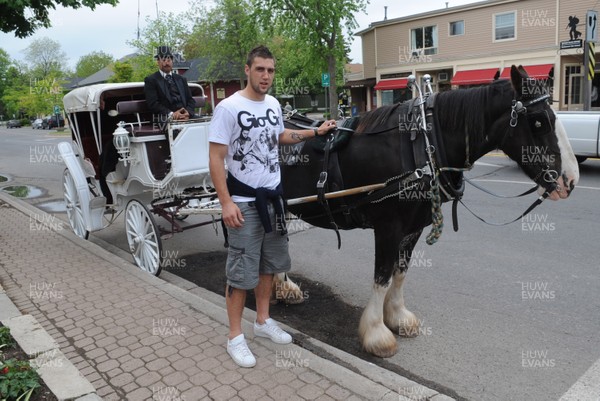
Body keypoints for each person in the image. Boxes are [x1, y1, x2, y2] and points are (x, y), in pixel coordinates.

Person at [209, 45, 336, 368]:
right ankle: (235, 336)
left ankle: (262, 321)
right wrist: (225, 202)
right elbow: (216, 157)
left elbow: (279, 136)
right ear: (248, 70)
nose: (266, 76)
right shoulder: (228, 108)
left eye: (271, 70)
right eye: (260, 69)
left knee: (270, 265)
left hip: (274, 199)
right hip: (244, 203)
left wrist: (314, 132)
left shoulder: (274, 104)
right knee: (240, 273)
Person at [144, 45, 196, 124]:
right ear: (158, 62)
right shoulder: (151, 80)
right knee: (175, 130)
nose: (166, 62)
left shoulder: (181, 79)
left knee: (206, 124)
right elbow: (153, 104)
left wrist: (188, 113)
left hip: (185, 116)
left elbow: (190, 100)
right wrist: (172, 114)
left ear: (172, 61)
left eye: (169, 59)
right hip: (165, 118)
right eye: (163, 59)